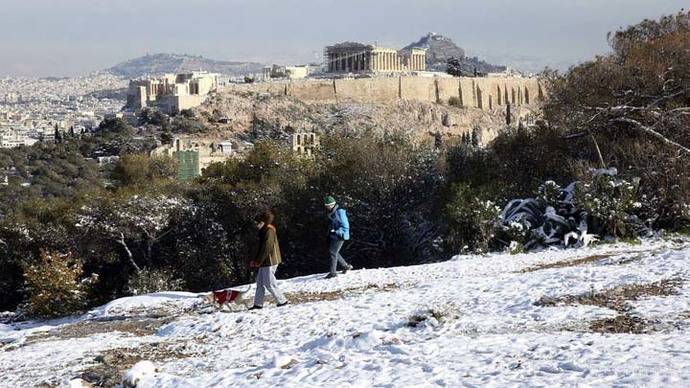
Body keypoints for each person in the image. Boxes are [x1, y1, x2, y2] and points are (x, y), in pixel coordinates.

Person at [249, 210, 288, 310]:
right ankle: (258, 304)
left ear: (262, 222)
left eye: (257, 223)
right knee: (260, 283)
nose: (256, 225)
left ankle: (282, 301)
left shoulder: (269, 231)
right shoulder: (263, 230)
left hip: (270, 260)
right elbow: (259, 247)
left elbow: (267, 247)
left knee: (269, 283)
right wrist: (255, 260)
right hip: (264, 261)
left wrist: (258, 261)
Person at [324, 196, 353, 279]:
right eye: (326, 205)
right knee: (334, 252)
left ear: (333, 204)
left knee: (333, 252)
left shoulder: (340, 212)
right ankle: (346, 266)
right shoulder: (332, 212)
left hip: (341, 235)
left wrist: (336, 231)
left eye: (329, 205)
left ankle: (333, 273)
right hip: (335, 235)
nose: (327, 207)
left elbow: (345, 226)